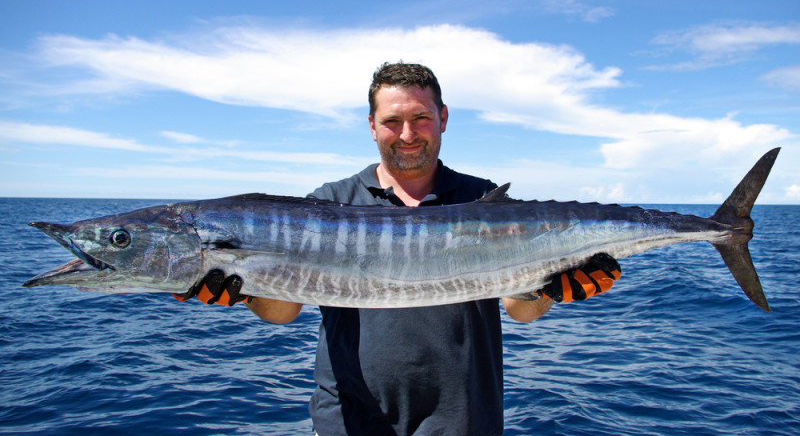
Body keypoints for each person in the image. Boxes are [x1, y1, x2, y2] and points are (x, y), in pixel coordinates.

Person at [176, 62, 621, 435]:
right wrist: (247, 292)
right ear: (372, 126)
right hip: (348, 423)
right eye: (392, 121)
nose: (407, 134)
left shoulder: (483, 201)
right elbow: (285, 311)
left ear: (443, 118)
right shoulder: (328, 203)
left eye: (421, 118)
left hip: (464, 422)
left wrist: (553, 290)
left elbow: (520, 309)